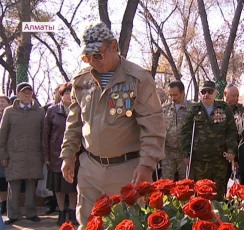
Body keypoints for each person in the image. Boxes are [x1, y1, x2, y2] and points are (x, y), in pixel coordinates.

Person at [60, 21, 166, 230]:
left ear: (114, 47)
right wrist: (67, 155)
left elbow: (152, 124)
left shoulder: (138, 78)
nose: (93, 61)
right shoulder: (81, 81)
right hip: (89, 168)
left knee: (128, 224)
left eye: (98, 55)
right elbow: (74, 122)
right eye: (87, 57)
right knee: (88, 224)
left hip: (127, 170)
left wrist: (147, 165)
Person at [181, 81, 237, 199]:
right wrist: (186, 154)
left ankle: (219, 216)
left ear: (215, 93)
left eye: (210, 92)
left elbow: (231, 130)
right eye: (203, 92)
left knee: (218, 192)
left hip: (220, 158)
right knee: (201, 192)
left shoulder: (224, 108)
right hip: (200, 159)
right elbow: (186, 132)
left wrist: (231, 150)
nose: (206, 94)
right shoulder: (194, 109)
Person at [0, 82, 45, 225]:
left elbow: (44, 135)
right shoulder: (9, 111)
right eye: (24, 92)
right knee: (13, 186)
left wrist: (44, 155)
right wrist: (3, 155)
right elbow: (2, 135)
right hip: (14, 155)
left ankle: (31, 213)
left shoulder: (39, 112)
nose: (27, 95)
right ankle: (12, 215)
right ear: (18, 94)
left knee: (32, 185)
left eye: (29, 92)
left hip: (34, 155)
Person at [43, 82, 78, 226]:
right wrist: (46, 155)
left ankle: (72, 211)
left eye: (72, 93)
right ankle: (62, 212)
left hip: (74, 155)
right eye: (66, 93)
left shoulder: (78, 110)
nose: (69, 96)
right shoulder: (52, 111)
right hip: (56, 154)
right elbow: (45, 134)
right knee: (58, 187)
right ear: (61, 95)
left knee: (72, 186)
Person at [162, 80, 191, 180]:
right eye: (170, 95)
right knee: (165, 184)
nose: (172, 98)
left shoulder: (192, 109)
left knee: (186, 184)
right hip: (168, 153)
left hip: (185, 153)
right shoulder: (165, 109)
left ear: (182, 93)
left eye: (175, 95)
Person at [0, 94, 10, 215]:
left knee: (6, 180)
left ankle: (8, 204)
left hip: (9, 153)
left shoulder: (12, 115)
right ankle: (2, 203)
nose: (1, 103)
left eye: (3, 101)